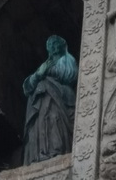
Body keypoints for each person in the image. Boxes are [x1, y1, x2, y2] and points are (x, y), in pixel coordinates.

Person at [22, 35, 78, 165]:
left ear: (62, 46)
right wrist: (38, 75)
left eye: (55, 43)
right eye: (50, 44)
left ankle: (56, 151)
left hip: (60, 98)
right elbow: (27, 87)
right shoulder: (45, 65)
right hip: (41, 102)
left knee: (54, 119)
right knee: (42, 122)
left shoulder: (67, 60)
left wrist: (48, 72)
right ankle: (40, 153)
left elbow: (70, 75)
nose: (53, 46)